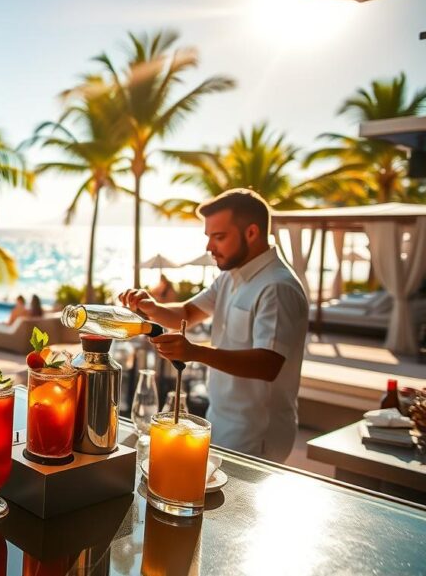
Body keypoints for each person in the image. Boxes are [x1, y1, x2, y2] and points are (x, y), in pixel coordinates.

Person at [118, 189, 308, 462]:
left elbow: (268, 364)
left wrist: (194, 353)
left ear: (252, 233)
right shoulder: (231, 276)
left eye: (219, 237)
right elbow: (186, 313)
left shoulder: (277, 287)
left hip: (256, 432)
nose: (209, 247)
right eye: (208, 237)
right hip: (218, 420)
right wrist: (153, 308)